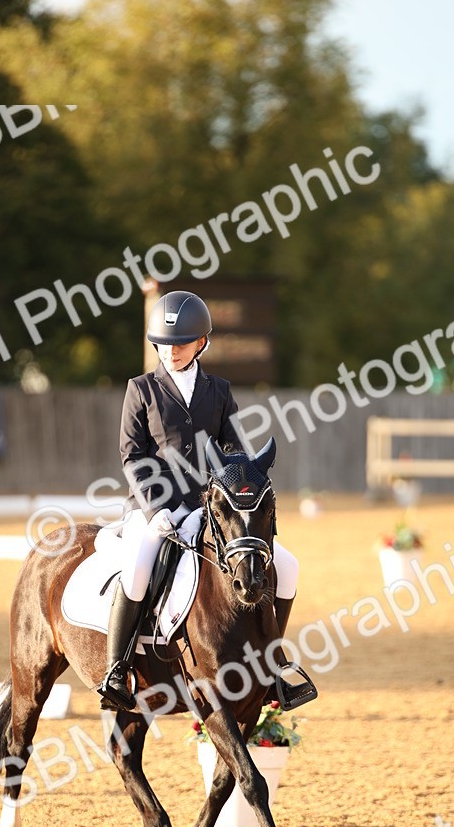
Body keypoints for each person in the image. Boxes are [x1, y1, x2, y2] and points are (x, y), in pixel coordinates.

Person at [97, 290, 301, 711]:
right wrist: (156, 511)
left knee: (287, 565)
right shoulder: (142, 390)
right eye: (164, 344)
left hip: (210, 510)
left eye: (182, 344)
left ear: (201, 343)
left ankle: (274, 661)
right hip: (153, 510)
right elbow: (131, 456)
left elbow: (234, 456)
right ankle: (117, 669)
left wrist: (240, 494)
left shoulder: (219, 391)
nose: (172, 352)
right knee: (138, 567)